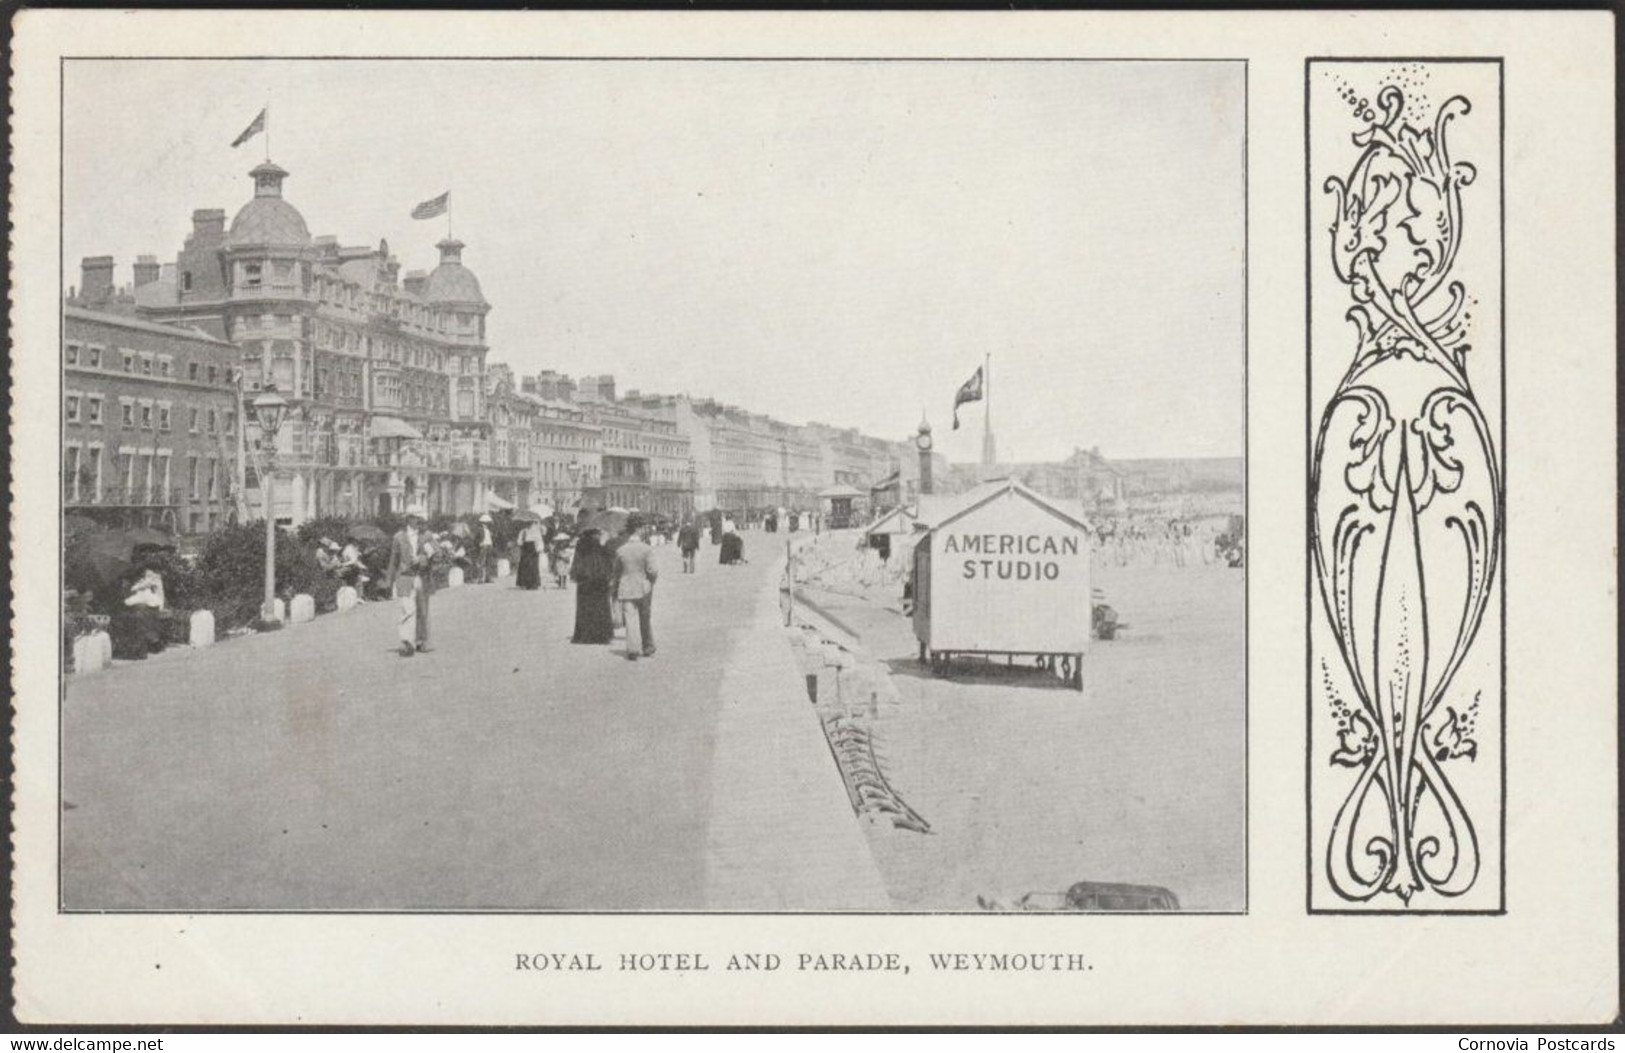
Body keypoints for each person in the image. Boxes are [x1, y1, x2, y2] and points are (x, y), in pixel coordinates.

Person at [384, 512, 436, 657]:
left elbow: (437, 554)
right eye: (415, 517)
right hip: (405, 578)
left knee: (422, 610)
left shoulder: (426, 536)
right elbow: (393, 560)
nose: (419, 520)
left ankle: (421, 640)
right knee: (407, 609)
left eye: (420, 517)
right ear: (408, 519)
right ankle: (407, 642)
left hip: (422, 577)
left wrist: (423, 558)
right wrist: (389, 580)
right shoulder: (398, 537)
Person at [611, 518, 658, 660]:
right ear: (639, 531)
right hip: (644, 587)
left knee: (630, 619)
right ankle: (648, 646)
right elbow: (653, 570)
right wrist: (651, 581)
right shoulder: (646, 549)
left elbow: (616, 572)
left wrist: (616, 587)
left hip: (626, 588)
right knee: (645, 617)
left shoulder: (621, 551)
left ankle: (632, 649)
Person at [569, 528, 616, 644]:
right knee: (601, 606)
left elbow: (577, 562)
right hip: (599, 579)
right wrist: (604, 545)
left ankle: (584, 634)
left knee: (584, 606)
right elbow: (609, 561)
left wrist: (575, 575)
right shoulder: (602, 543)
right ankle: (601, 635)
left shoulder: (581, 543)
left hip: (584, 579)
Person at [516, 519, 543, 590]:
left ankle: (534, 584)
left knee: (533, 566)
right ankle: (524, 583)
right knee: (524, 566)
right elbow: (519, 541)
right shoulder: (523, 531)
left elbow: (539, 540)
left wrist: (539, 549)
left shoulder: (536, 531)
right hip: (525, 549)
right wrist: (521, 543)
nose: (529, 524)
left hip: (533, 550)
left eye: (530, 523)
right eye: (528, 523)